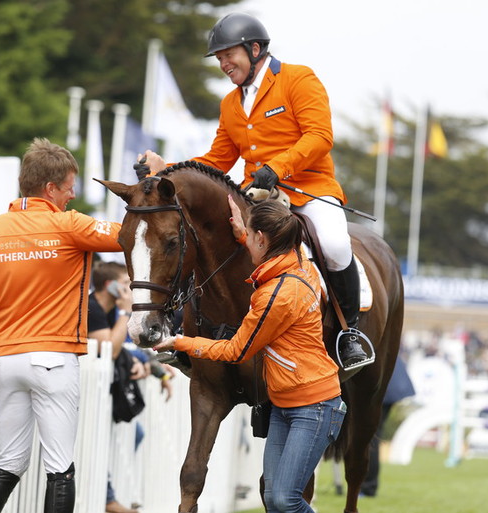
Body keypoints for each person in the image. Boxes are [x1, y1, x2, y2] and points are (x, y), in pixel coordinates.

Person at [139, 12, 369, 369]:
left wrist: (277, 168)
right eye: (219, 58)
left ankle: (349, 334)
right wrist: (164, 170)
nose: (223, 64)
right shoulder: (231, 103)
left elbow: (320, 136)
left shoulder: (298, 79)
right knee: (205, 240)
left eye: (228, 55)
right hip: (258, 198)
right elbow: (216, 159)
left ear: (255, 49)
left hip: (308, 191)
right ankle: (195, 330)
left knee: (337, 246)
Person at [154, 196, 346, 513]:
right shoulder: (299, 259)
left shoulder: (276, 295)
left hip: (313, 408)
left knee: (285, 499)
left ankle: (351, 333)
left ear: (262, 239)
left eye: (250, 237)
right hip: (288, 405)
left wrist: (181, 343)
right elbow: (271, 248)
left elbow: (235, 349)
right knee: (273, 498)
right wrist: (245, 233)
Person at [0, 138, 124, 513]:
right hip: (52, 357)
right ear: (50, 188)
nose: (72, 195)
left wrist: (12, 321)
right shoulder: (68, 224)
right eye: (70, 187)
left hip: (4, 356)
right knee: (59, 467)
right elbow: (129, 236)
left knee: (8, 463)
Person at [87, 261, 141, 513]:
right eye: (126, 285)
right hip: (85, 392)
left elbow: (125, 349)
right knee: (97, 440)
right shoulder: (92, 308)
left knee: (135, 432)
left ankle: (108, 493)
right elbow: (109, 348)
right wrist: (125, 313)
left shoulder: (107, 308)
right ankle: (107, 499)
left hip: (100, 389)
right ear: (110, 287)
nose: (130, 290)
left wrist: (145, 366)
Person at [360, 356, 415, 497]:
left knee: (369, 436)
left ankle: (368, 487)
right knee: (371, 435)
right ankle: (367, 485)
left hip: (383, 387)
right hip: (392, 384)